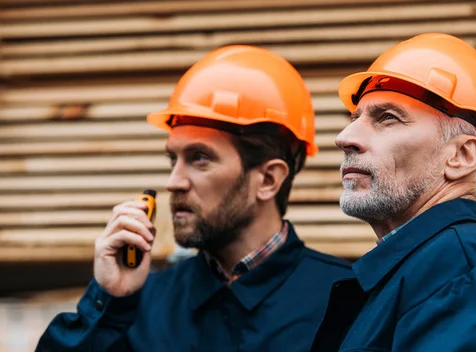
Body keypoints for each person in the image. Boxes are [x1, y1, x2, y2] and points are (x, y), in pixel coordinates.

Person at [36, 45, 352, 352]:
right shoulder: (137, 304)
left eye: (199, 158)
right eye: (173, 160)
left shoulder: (346, 300)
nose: (173, 182)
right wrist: (108, 301)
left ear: (268, 180)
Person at [310, 33, 476, 351]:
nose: (344, 137)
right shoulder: (430, 274)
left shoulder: (463, 281)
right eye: (354, 118)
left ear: (461, 157)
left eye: (388, 118)